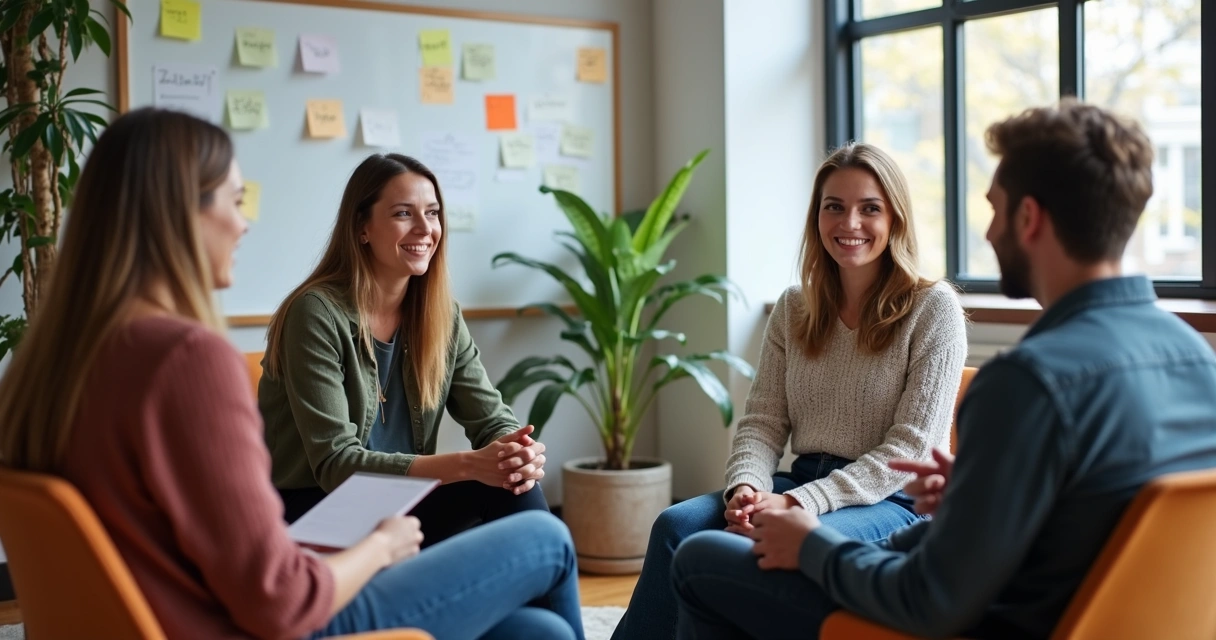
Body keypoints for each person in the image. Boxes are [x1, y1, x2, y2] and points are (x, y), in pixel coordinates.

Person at [0, 108, 584, 640]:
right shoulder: (190, 360)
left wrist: (512, 452)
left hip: (186, 611)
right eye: (233, 201)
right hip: (260, 611)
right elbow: (278, 597)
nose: (245, 223)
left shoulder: (41, 366)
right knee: (547, 538)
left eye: (431, 214)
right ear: (177, 213)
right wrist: (381, 546)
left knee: (537, 631)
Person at [671, 99, 1216, 639]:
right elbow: (1096, 519)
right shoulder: (1198, 361)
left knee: (702, 558)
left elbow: (929, 600)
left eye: (995, 209)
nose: (987, 233)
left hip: (977, 620)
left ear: (1028, 219)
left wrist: (811, 544)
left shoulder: (1028, 382)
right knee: (695, 532)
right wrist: (979, 489)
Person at [612, 142, 968, 640]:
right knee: (675, 526)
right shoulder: (794, 306)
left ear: (896, 219)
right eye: (834, 207)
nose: (850, 223)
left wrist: (800, 506)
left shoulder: (933, 308)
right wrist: (747, 490)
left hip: (891, 503)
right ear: (816, 218)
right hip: (799, 481)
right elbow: (763, 422)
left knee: (751, 554)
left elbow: (909, 450)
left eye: (870, 208)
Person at [259, 153, 550, 540]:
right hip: (314, 508)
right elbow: (336, 464)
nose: (424, 229)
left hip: (399, 503)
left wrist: (517, 452)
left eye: (432, 213)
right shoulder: (315, 314)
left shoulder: (440, 316)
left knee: (515, 486)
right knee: (492, 484)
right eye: (403, 214)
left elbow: (491, 418)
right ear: (362, 227)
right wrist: (469, 464)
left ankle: (543, 602)